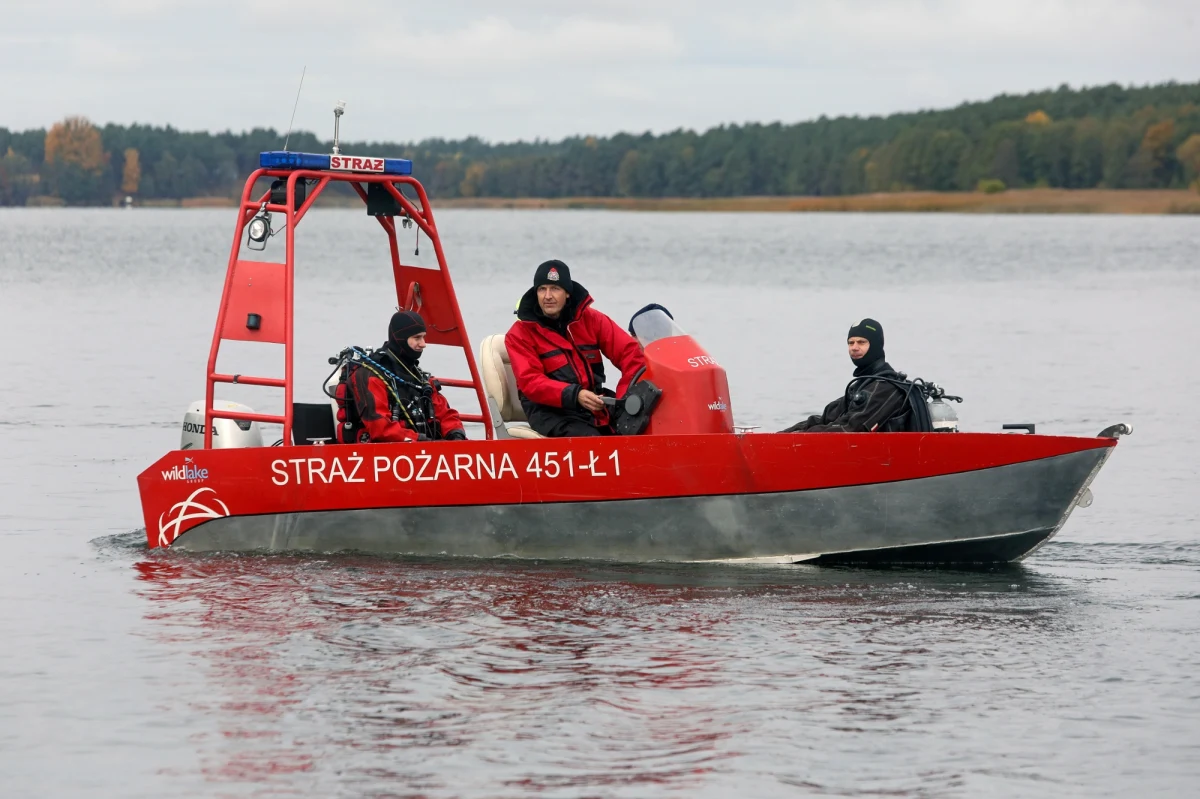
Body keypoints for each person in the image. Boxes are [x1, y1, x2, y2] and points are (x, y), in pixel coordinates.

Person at [506, 259, 647, 437]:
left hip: (595, 405)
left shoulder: (592, 320)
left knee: (642, 425)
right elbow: (531, 382)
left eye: (555, 288)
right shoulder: (519, 334)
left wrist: (627, 397)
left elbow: (631, 355)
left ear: (567, 293)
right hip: (549, 413)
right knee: (596, 442)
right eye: (542, 289)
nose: (547, 296)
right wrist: (576, 395)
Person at [342, 310, 467, 443]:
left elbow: (445, 414)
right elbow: (380, 428)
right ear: (400, 338)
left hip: (425, 451)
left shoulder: (418, 376)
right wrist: (424, 442)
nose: (424, 344)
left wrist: (456, 436)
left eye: (424, 337)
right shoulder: (369, 375)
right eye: (417, 338)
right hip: (387, 455)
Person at [781, 318, 908, 433]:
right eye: (850, 343)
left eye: (861, 342)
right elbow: (825, 419)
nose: (854, 347)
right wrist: (784, 435)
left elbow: (852, 428)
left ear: (875, 346)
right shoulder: (861, 386)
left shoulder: (886, 387)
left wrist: (802, 436)